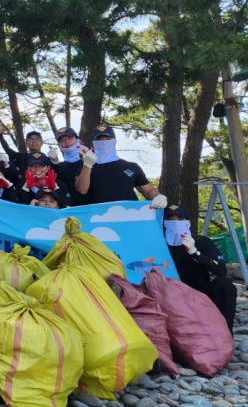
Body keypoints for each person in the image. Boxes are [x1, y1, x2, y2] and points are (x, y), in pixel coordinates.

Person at [163, 204, 237, 332]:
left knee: (225, 284)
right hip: (170, 297)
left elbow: (221, 270)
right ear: (164, 223)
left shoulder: (201, 242)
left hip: (200, 295)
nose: (175, 223)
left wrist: (195, 252)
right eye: (170, 219)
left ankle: (225, 333)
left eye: (180, 219)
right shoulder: (159, 245)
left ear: (188, 223)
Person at [74, 124, 168, 207]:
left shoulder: (131, 167)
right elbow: (81, 190)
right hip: (99, 221)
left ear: (114, 141)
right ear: (93, 143)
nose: (103, 142)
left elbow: (148, 191)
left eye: (108, 138)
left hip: (128, 217)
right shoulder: (86, 168)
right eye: (99, 139)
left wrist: (158, 197)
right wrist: (87, 165)